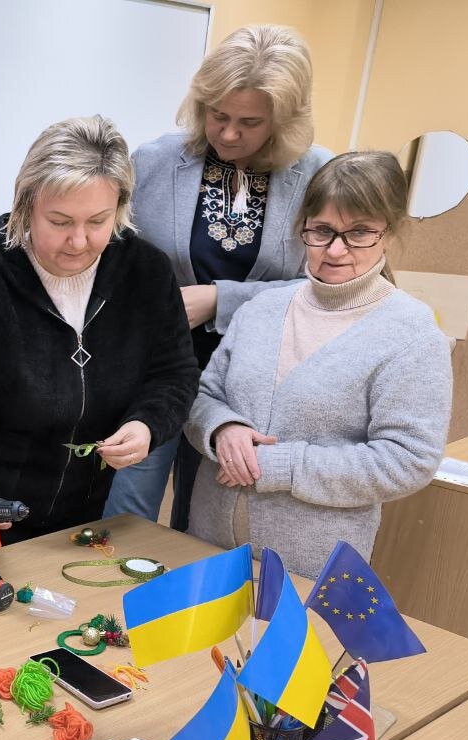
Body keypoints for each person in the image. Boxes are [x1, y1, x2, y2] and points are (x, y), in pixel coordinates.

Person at [0, 116, 199, 562]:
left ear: (120, 207)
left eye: (98, 221)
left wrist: (148, 423)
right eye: (59, 221)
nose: (78, 241)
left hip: (85, 510)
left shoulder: (146, 273)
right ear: (27, 204)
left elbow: (174, 372)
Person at [102, 24, 333, 530]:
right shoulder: (154, 161)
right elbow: (113, 259)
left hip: (248, 380)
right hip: (153, 368)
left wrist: (219, 300)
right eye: (218, 115)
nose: (228, 134)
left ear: (285, 120)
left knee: (207, 517)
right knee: (127, 507)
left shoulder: (320, 175)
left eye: (250, 122)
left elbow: (325, 286)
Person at [185, 151, 452, 578]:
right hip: (207, 546)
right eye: (322, 231)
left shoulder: (411, 333)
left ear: (389, 232)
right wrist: (221, 429)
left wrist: (282, 466)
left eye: (359, 232)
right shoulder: (261, 310)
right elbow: (203, 396)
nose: (336, 250)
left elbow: (407, 459)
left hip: (312, 569)